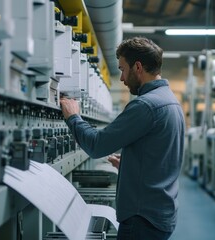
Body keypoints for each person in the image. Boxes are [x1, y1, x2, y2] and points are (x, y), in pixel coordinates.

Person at [60, 37, 185, 240]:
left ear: (137, 67)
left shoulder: (146, 106)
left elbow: (97, 145)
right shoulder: (171, 102)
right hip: (160, 213)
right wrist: (130, 167)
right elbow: (163, 159)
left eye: (122, 69)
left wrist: (73, 117)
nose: (121, 78)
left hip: (142, 219)